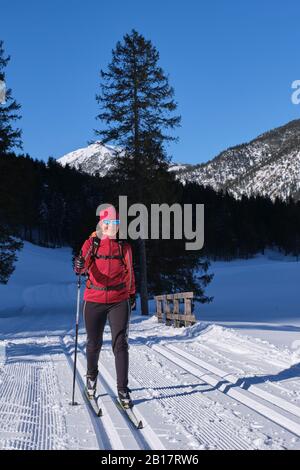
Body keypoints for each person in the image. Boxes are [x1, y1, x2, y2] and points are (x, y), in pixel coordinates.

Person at [74, 205, 136, 408]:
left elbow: (129, 274)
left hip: (119, 300)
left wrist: (131, 294)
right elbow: (81, 268)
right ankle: (91, 378)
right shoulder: (92, 243)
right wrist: (79, 264)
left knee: (121, 344)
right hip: (94, 299)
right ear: (102, 224)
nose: (114, 227)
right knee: (94, 343)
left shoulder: (124, 247)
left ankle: (122, 389)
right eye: (109, 223)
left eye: (117, 223)